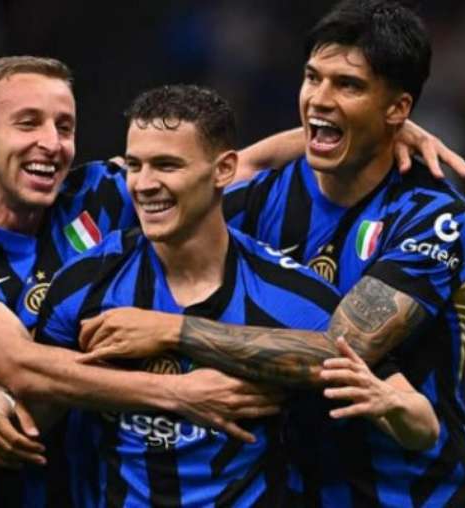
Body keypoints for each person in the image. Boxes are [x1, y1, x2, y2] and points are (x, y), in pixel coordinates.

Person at [78, 1, 465, 505]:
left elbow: (340, 352)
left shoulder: (432, 216)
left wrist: (174, 331)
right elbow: (195, 180)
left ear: (397, 108)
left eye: (348, 86)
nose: (319, 99)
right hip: (298, 489)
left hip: (417, 493)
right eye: (313, 78)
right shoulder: (263, 196)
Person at [34, 84, 343, 506]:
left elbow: (352, 371)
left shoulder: (292, 296)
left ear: (224, 170)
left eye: (166, 165)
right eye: (134, 165)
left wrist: (174, 332)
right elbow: (34, 407)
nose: (143, 185)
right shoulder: (84, 284)